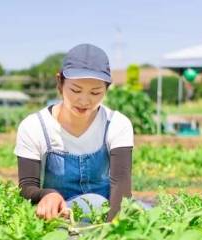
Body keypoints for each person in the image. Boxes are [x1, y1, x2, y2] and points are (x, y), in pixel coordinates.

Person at [13, 44, 134, 223]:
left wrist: (111, 233)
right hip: (57, 216)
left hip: (106, 212)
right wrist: (48, 194)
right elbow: (26, 187)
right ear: (59, 83)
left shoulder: (117, 124)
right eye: (75, 90)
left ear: (106, 89)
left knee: (142, 213)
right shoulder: (34, 126)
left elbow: (121, 185)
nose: (84, 100)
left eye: (95, 92)